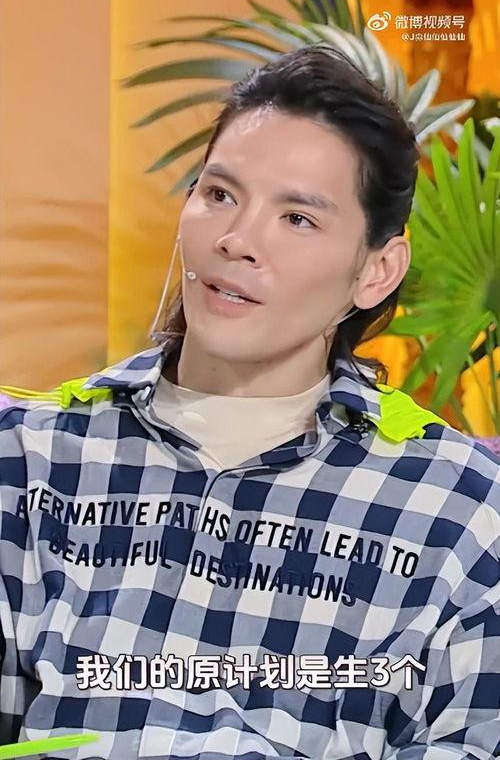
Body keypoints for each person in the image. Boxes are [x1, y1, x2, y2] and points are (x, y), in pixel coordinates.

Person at [0, 45, 498, 760]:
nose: (237, 240)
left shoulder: (460, 513)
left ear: (377, 270)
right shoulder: (30, 459)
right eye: (220, 195)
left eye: (297, 218)